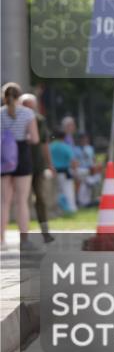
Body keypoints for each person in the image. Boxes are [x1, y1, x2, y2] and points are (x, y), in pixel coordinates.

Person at [1, 83, 40, 251]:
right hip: (22, 155)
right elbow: (35, 139)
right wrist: (27, 136)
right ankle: (24, 240)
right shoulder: (27, 113)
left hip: (3, 158)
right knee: (22, 201)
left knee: (3, 201)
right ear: (19, 96)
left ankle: (1, 239)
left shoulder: (0, 114)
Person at [19, 94, 55, 243]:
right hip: (20, 165)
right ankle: (24, 235)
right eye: (27, 105)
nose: (30, 108)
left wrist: (49, 164)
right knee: (21, 200)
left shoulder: (39, 120)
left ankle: (45, 232)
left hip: (37, 165)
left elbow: (44, 144)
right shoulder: (16, 119)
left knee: (40, 198)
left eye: (31, 105)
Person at [49, 130, 77, 214]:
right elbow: (73, 161)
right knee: (68, 192)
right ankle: (71, 209)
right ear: (64, 137)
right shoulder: (66, 147)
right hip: (64, 173)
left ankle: (57, 210)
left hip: (52, 173)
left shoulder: (50, 147)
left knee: (55, 192)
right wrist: (74, 171)